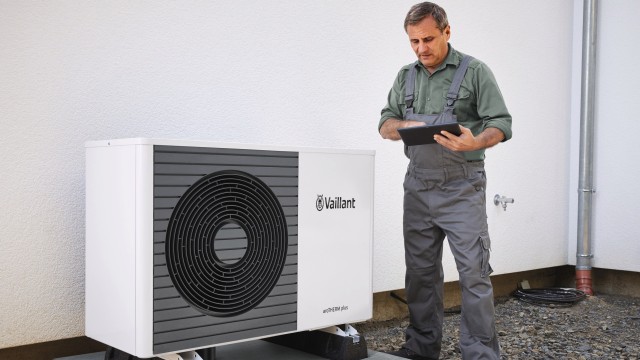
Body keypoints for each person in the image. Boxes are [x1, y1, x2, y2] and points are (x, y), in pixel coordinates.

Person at [378, 2, 512, 360]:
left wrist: (476, 141)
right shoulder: (406, 76)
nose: (422, 48)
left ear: (447, 32)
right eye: (413, 41)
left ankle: (480, 353)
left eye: (428, 39)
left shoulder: (475, 71)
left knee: (474, 273)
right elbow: (385, 123)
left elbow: (501, 122)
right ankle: (421, 348)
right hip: (418, 188)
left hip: (462, 188)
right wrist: (404, 126)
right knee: (420, 274)